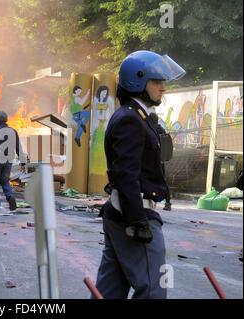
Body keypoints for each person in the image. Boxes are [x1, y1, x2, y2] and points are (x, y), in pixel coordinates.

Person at [96, 50, 186, 299]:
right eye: (157, 81)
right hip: (133, 216)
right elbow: (126, 174)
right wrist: (137, 220)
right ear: (138, 81)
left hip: (122, 213)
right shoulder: (131, 119)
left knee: (109, 291)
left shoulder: (136, 116)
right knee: (153, 290)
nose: (163, 88)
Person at [0, 111, 27, 216]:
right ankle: (10, 196)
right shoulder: (13, 131)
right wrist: (23, 163)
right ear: (6, 119)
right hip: (8, 161)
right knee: (5, 181)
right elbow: (19, 147)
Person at [149, 112, 173, 211]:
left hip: (151, 161)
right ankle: (168, 202)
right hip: (161, 161)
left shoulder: (150, 129)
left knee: (147, 180)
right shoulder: (162, 130)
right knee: (163, 181)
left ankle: (148, 202)